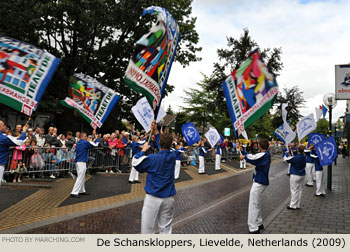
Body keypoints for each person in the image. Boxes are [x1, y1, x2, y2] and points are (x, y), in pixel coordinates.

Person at [132, 122, 176, 234]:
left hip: (153, 198)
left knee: (147, 231)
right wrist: (156, 131)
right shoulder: (172, 156)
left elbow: (135, 162)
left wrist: (143, 150)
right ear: (171, 144)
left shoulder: (152, 158)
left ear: (159, 143)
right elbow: (164, 145)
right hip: (168, 198)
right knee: (166, 230)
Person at [239, 139, 271, 234]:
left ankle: (253, 228)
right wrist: (244, 151)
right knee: (256, 203)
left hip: (259, 181)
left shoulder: (264, 155)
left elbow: (253, 159)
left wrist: (244, 156)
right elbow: (254, 156)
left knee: (253, 204)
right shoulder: (266, 154)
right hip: (260, 181)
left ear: (259, 147)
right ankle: (258, 222)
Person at [70, 132, 99, 198]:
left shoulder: (78, 143)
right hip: (82, 162)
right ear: (82, 137)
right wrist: (96, 137)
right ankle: (74, 192)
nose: (86, 137)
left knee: (82, 176)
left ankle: (81, 190)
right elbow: (96, 144)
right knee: (80, 177)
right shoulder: (84, 142)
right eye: (85, 136)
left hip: (79, 161)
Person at [0, 121, 27, 186]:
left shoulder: (4, 137)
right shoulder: (3, 138)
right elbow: (20, 142)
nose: (5, 127)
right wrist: (24, 132)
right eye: (3, 125)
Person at [284, 145, 306, 210]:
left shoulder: (295, 157)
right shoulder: (304, 157)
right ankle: (298, 204)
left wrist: (286, 154)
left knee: (294, 190)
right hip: (302, 174)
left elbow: (286, 160)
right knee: (300, 190)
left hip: (295, 175)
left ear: (297, 150)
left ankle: (293, 205)